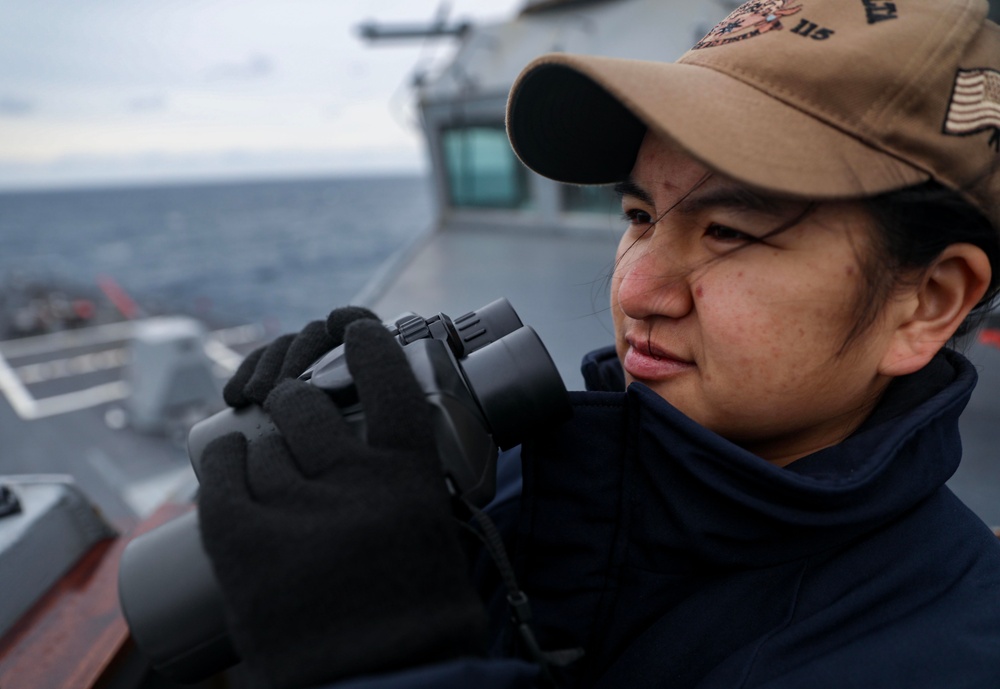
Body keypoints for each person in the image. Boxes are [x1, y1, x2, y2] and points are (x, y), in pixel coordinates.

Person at [195, 0, 1000, 687]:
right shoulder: (528, 478)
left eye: (729, 230)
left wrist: (384, 659)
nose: (636, 290)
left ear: (924, 304)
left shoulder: (954, 649)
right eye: (639, 216)